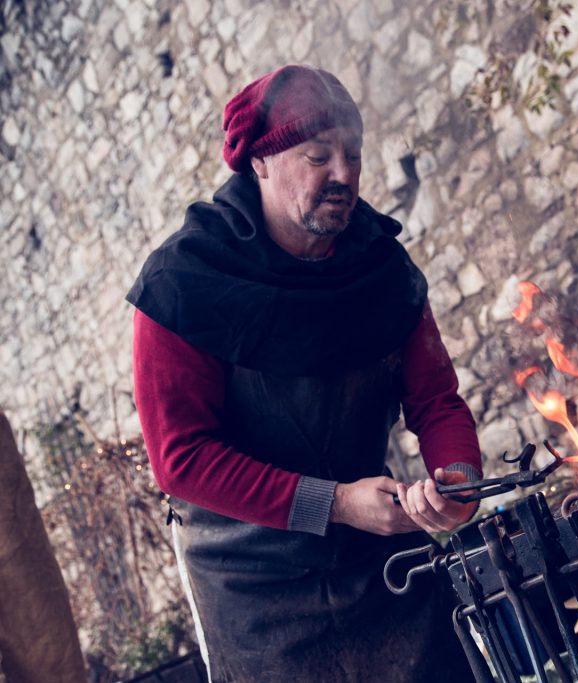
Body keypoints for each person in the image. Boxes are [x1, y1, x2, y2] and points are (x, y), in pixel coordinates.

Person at [128, 64, 482, 682]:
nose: (343, 175)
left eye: (353, 155)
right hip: (252, 588)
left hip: (382, 562)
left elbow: (436, 400)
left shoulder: (381, 268)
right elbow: (179, 459)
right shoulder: (182, 283)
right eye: (318, 156)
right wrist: (336, 503)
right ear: (258, 163)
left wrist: (456, 481)